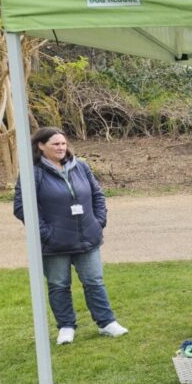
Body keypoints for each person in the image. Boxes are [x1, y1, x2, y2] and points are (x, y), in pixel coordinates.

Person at [13, 127, 127, 345]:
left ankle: (106, 323)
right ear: (40, 146)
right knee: (58, 284)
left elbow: (97, 194)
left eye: (63, 143)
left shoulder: (80, 167)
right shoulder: (33, 172)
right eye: (55, 144)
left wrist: (98, 221)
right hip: (54, 243)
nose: (61, 148)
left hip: (87, 237)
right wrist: (45, 233)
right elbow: (22, 206)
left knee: (94, 281)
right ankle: (66, 327)